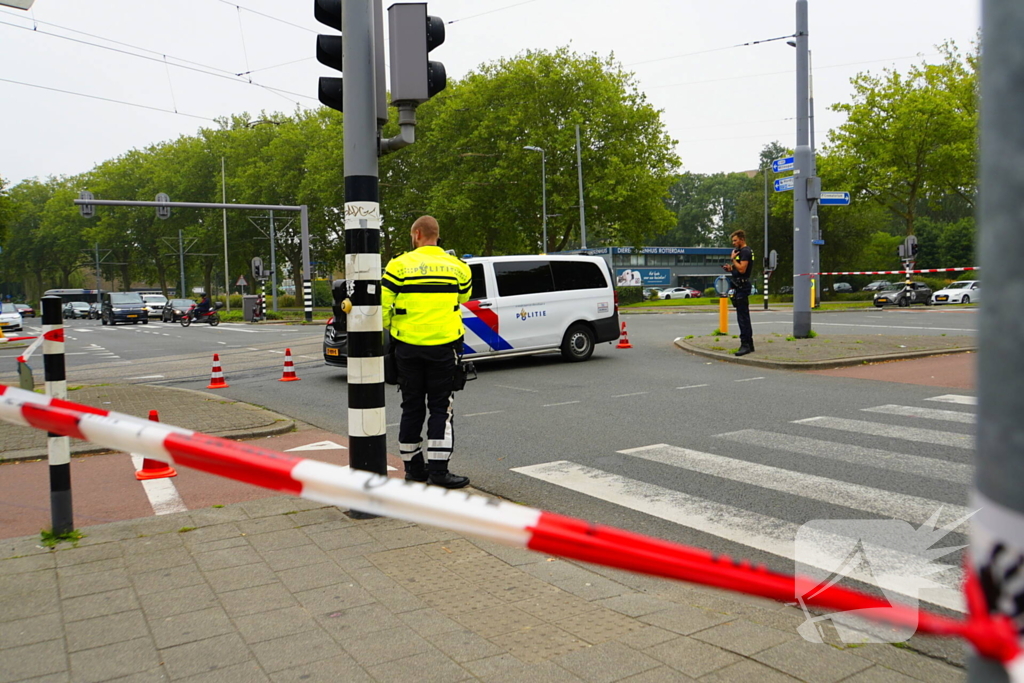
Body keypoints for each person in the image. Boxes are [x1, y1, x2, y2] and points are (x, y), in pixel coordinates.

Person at [381, 216, 473, 488]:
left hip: (407, 349)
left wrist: (394, 326)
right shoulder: (458, 267)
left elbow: (383, 306)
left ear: (417, 234)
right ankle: (439, 472)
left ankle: (413, 469)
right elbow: (463, 297)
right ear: (437, 235)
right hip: (444, 348)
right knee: (440, 408)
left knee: (411, 407)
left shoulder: (398, 266)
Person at [723, 230, 755, 356]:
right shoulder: (742, 252)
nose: (734, 243)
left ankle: (745, 345)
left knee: (742, 318)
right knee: (743, 316)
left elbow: (742, 269)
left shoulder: (745, 251)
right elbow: (738, 269)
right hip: (739, 285)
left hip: (742, 287)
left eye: (735, 240)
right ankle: (749, 344)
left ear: (742, 239)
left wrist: (733, 260)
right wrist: (731, 269)